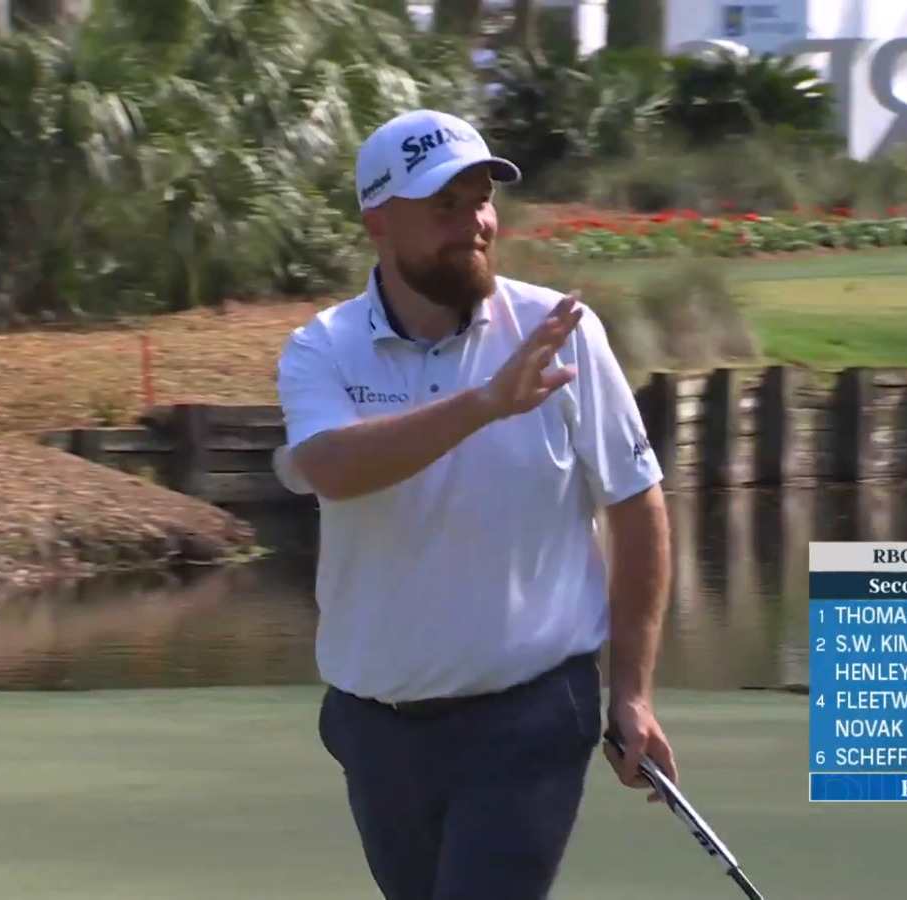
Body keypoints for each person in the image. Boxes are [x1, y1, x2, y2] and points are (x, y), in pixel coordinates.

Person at [272, 109, 676, 900]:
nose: (477, 224)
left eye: (482, 198)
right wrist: (486, 401)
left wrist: (630, 689)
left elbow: (636, 503)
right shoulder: (321, 347)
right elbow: (332, 468)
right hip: (377, 726)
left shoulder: (559, 332)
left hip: (527, 714)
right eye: (445, 207)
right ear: (378, 221)